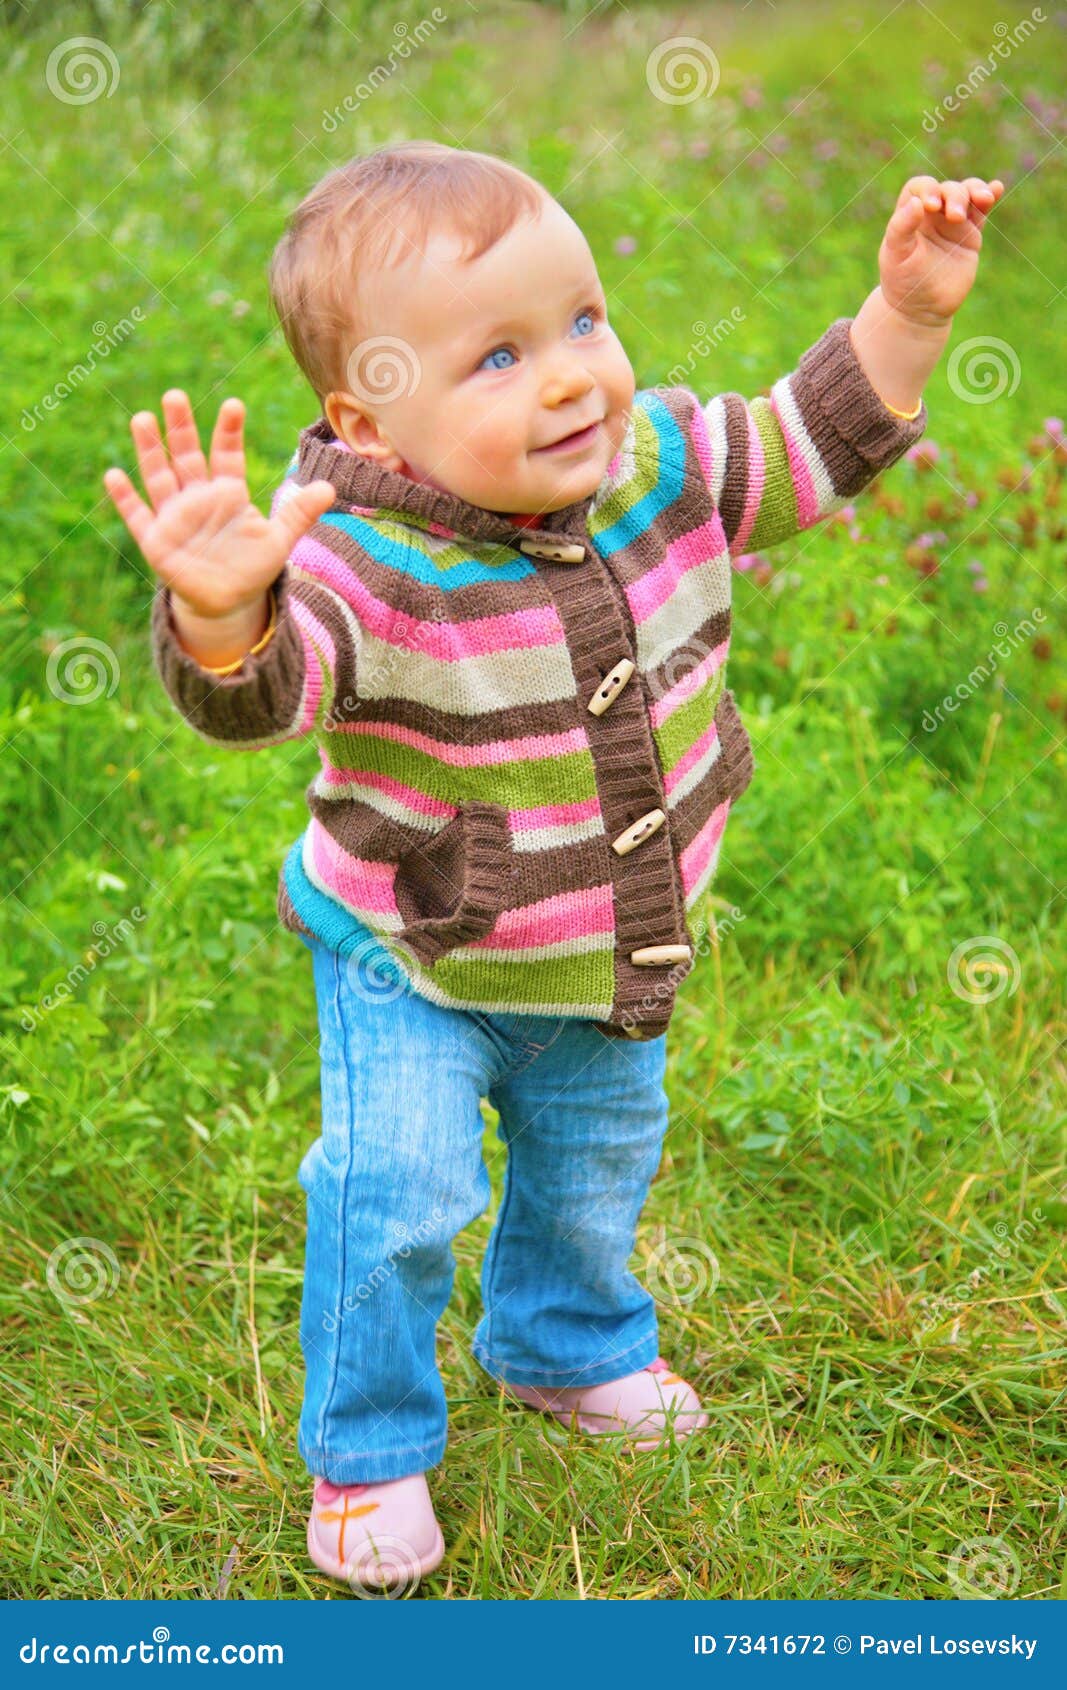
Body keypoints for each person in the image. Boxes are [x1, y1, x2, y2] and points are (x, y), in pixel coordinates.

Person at [103, 141, 1003, 1591]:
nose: (573, 376)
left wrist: (909, 311)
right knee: (395, 1190)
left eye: (582, 319)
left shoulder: (655, 463)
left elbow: (810, 441)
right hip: (418, 957)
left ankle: (562, 1348)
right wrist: (227, 615)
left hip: (609, 950)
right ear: (370, 422)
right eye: (499, 357)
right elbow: (273, 693)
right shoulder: (361, 559)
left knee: (591, 1175)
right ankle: (371, 1444)